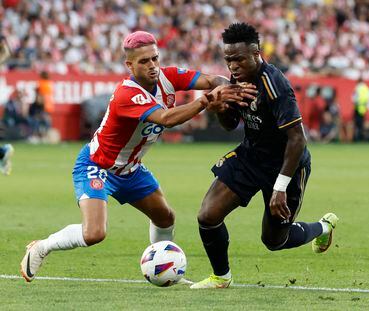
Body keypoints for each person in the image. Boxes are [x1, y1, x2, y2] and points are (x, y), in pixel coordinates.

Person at [20, 30, 256, 282]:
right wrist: (208, 101)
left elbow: (213, 80)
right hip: (97, 166)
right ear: (129, 65)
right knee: (94, 234)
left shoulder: (168, 76)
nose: (153, 66)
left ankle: (163, 268)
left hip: (130, 169)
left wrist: (229, 89)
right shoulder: (126, 93)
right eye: (144, 61)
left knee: (165, 217)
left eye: (155, 58)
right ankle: (41, 247)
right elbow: (166, 118)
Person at [190, 23, 339, 289]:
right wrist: (220, 107)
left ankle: (323, 227)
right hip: (251, 156)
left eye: (238, 59)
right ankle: (221, 277)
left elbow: (297, 139)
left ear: (256, 53)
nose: (233, 66)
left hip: (286, 164)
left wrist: (279, 188)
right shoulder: (237, 80)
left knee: (274, 241)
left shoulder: (275, 85)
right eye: (228, 60)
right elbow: (230, 122)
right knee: (208, 215)